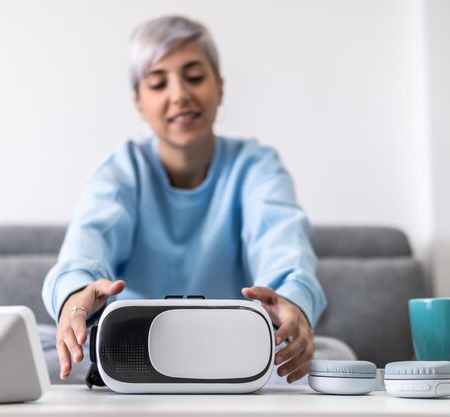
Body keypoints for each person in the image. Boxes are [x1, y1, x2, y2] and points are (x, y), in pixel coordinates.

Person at [42, 15, 353, 385]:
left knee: (336, 358)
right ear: (138, 102)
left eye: (194, 77)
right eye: (158, 83)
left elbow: (283, 245)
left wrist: (292, 301)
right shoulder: (121, 168)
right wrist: (77, 295)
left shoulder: (257, 166)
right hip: (132, 350)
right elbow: (86, 246)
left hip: (233, 348)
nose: (179, 95)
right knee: (39, 351)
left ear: (219, 88)